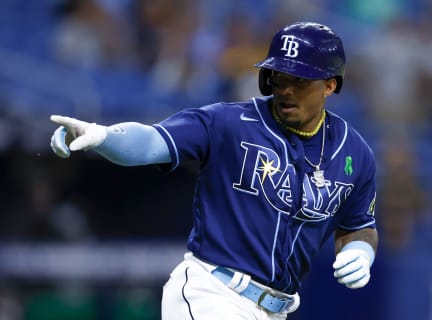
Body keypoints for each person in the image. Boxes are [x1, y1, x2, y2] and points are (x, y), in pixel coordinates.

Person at [50, 22, 378, 320]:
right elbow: (151, 142)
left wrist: (360, 251)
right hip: (213, 294)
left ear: (330, 85)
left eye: (300, 79)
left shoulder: (355, 153)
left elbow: (358, 225)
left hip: (275, 310)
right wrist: (104, 137)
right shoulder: (228, 123)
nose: (286, 88)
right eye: (280, 76)